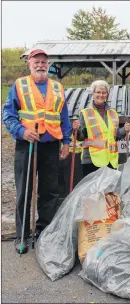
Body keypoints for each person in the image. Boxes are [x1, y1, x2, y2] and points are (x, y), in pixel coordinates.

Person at [2, 49, 72, 254]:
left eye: (44, 61)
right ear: (29, 64)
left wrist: (66, 141)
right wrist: (22, 132)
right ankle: (22, 236)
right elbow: (7, 115)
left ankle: (44, 234)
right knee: (24, 191)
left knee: (49, 192)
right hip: (27, 145)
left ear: (48, 64)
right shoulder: (19, 85)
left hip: (50, 145)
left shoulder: (58, 87)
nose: (40, 65)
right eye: (36, 61)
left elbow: (64, 117)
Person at [72, 80, 130, 177]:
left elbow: (115, 135)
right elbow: (81, 136)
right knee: (94, 192)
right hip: (91, 161)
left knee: (110, 192)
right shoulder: (85, 113)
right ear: (93, 93)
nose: (101, 95)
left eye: (104, 92)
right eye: (98, 92)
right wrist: (76, 130)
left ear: (107, 94)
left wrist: (124, 130)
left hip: (111, 160)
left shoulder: (113, 113)